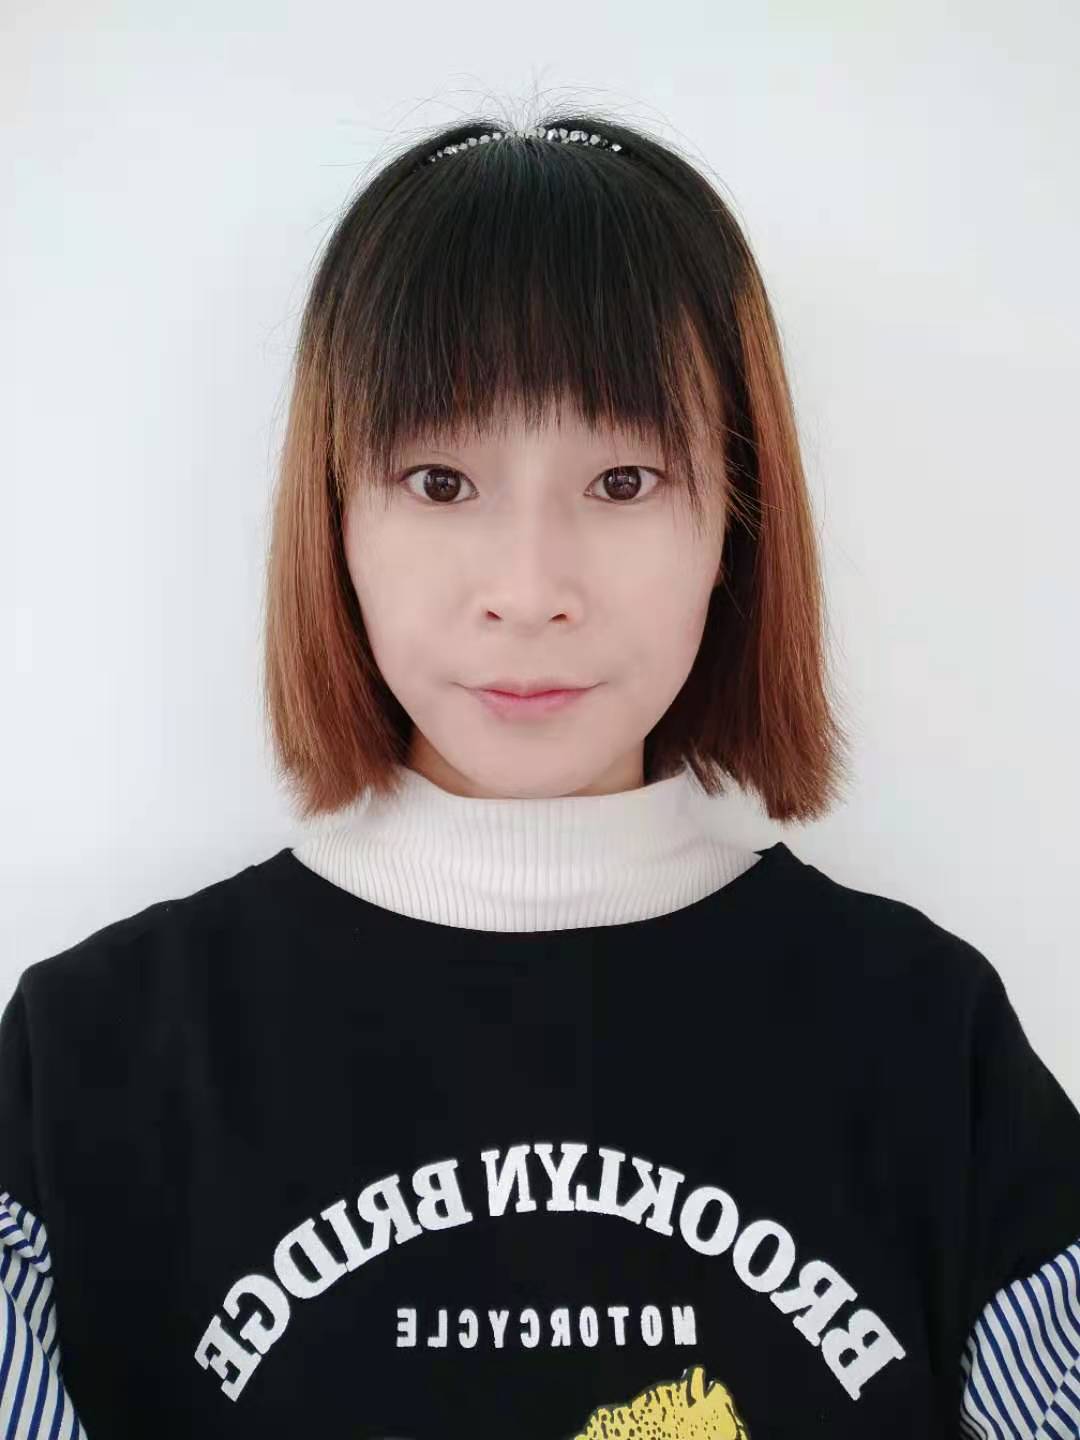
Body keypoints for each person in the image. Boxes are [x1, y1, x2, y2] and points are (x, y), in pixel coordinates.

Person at [2, 109, 1078, 1440]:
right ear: (334, 517)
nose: (528, 589)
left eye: (622, 480)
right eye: (439, 480)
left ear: (737, 523)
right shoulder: (92, 1063)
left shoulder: (927, 1045)